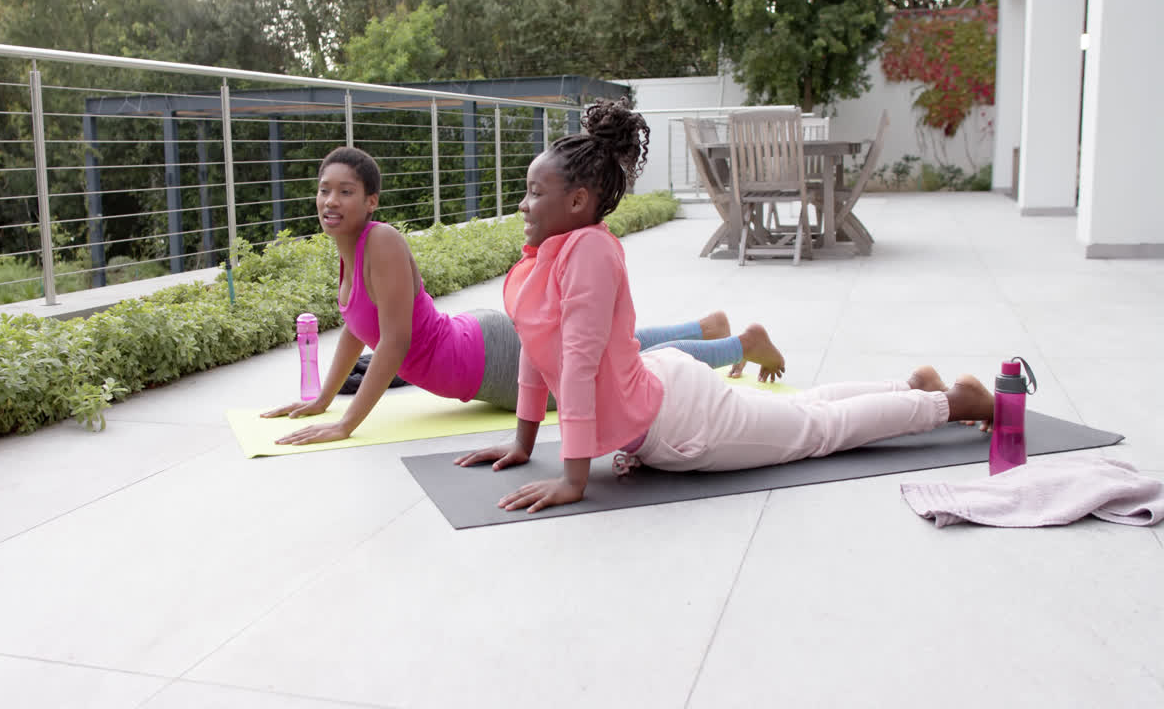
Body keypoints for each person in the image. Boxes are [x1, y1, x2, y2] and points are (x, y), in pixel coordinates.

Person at [453, 97, 996, 514]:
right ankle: (910, 387)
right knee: (801, 412)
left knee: (815, 432)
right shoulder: (547, 256)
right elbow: (535, 351)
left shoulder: (589, 250)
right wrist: (523, 443)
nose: (523, 203)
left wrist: (573, 479)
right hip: (659, 396)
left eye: (532, 191)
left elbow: (578, 365)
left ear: (577, 201)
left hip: (678, 421)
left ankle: (952, 403)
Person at [262, 146, 775, 445]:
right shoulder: (349, 250)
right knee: (609, 346)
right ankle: (703, 328)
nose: (331, 200)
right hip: (481, 346)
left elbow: (392, 343)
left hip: (489, 360)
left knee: (618, 372)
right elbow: (359, 327)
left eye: (346, 191)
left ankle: (740, 346)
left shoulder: (383, 241)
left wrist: (346, 424)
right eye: (325, 189)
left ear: (370, 201)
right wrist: (321, 401)